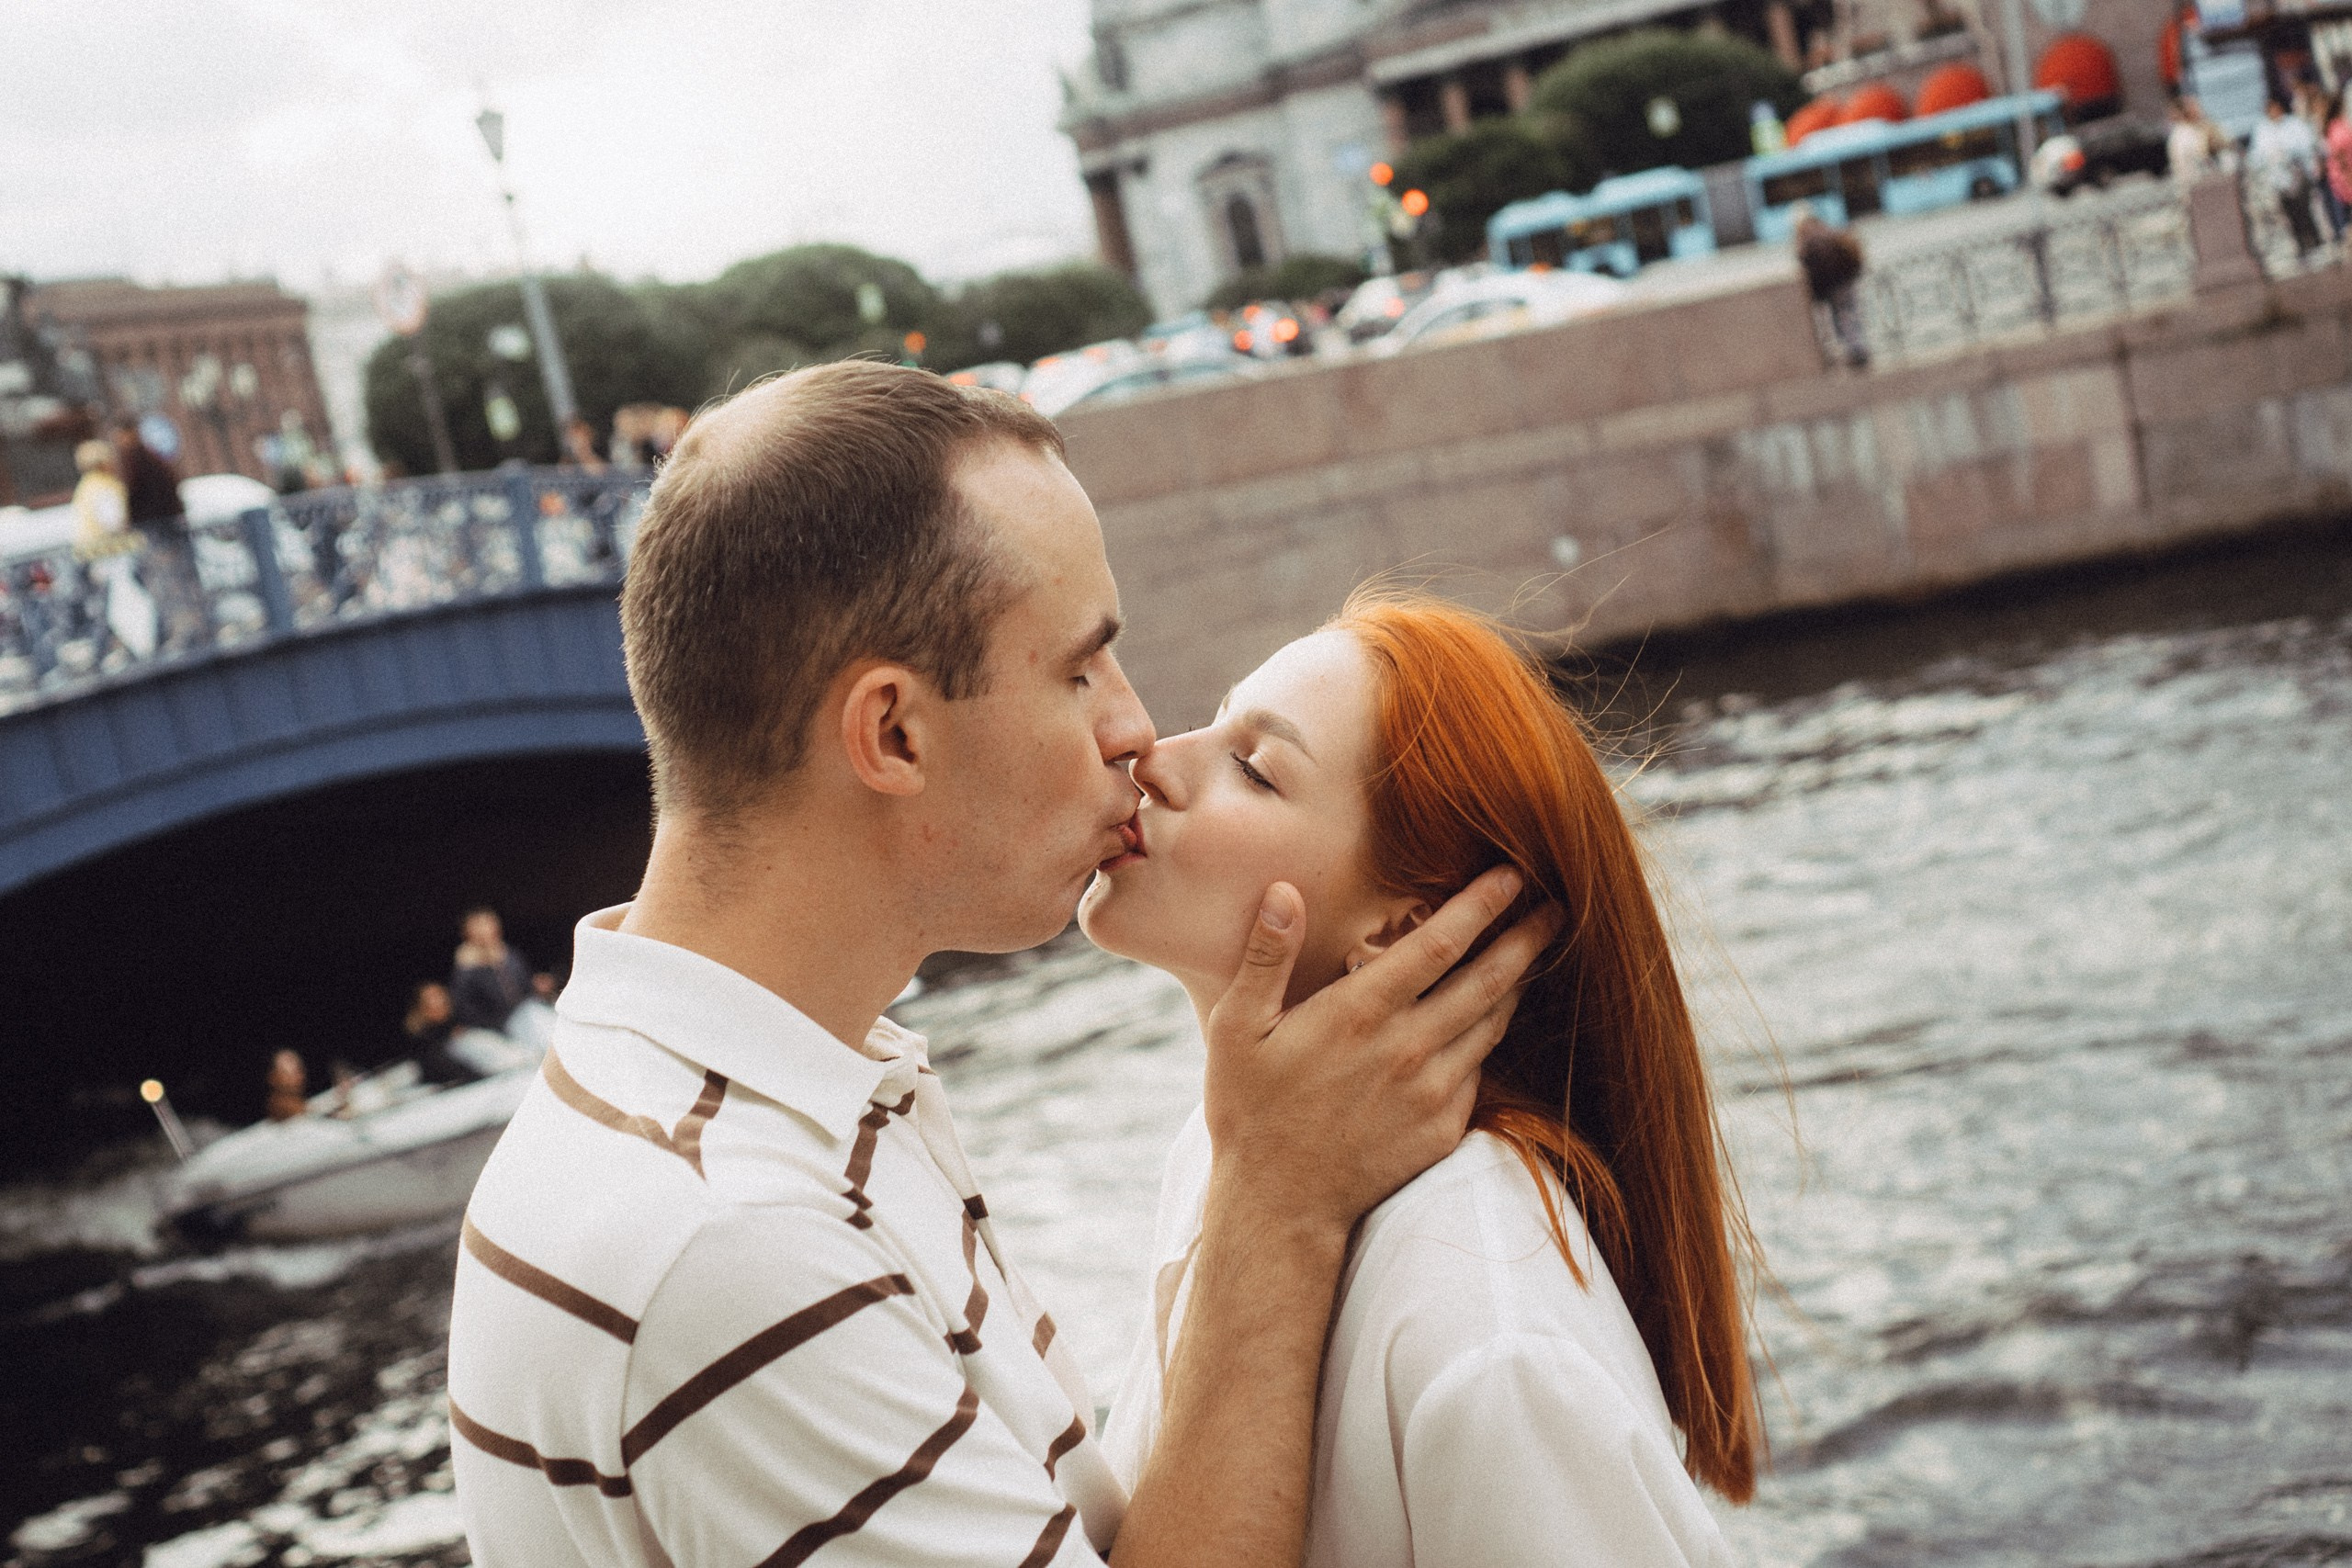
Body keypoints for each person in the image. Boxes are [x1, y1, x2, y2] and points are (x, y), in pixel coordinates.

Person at [447, 360, 1554, 1568]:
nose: (1135, 727)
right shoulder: (731, 1242)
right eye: (1078, 670)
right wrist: (1277, 1205)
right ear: (893, 733)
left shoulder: (745, 1099)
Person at [1084, 589, 1758, 1567]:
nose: (1155, 757)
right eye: (1216, 723)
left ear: (1401, 928)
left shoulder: (1489, 1338)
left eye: (1254, 768)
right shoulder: (1233, 1149)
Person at [448, 907, 553, 1032]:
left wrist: (538, 987)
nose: (485, 930)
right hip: (496, 1027)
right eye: (479, 925)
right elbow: (466, 1010)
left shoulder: (510, 954)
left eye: (488, 923)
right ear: (467, 932)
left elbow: (526, 988)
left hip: (527, 1012)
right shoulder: (465, 967)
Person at [1793, 204, 1868, 368]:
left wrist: (1817, 292)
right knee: (1850, 315)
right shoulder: (1828, 231)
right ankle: (1857, 349)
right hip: (1846, 280)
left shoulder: (1808, 241)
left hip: (1832, 286)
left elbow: (1813, 270)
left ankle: (1850, 352)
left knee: (1838, 319)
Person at [2250, 96, 2325, 258]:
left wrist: (2288, 152)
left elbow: (2306, 144)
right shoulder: (2262, 130)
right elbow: (2256, 156)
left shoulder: (2293, 124)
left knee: (2305, 209)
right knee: (2290, 214)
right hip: (2279, 180)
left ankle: (2316, 241)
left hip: (2297, 174)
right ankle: (2302, 245)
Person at [2169, 96, 2220, 188]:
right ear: (2186, 112)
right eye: (2194, 107)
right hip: (2198, 184)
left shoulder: (2180, 132)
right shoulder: (2186, 134)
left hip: (2194, 183)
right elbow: (2203, 157)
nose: (2199, 110)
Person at [266, 1049, 310, 1121]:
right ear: (273, 1077)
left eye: (299, 1070)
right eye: (287, 1074)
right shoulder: (279, 1108)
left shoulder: (301, 1104)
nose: (298, 1077)